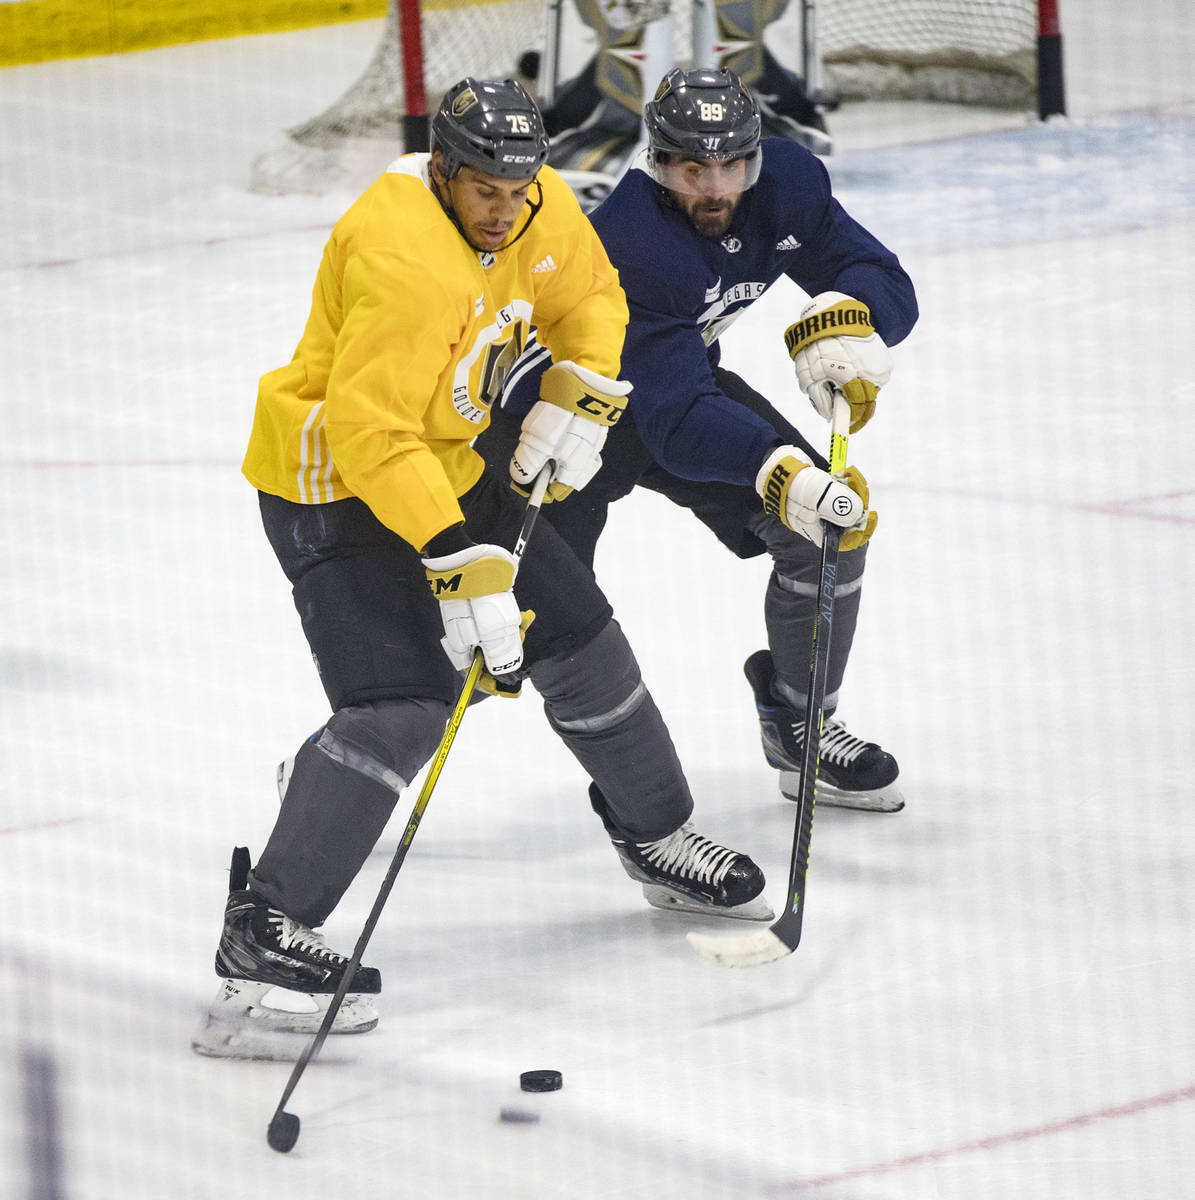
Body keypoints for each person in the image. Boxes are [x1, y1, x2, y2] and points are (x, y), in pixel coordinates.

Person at [196, 78, 774, 1054]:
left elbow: (590, 292)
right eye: (485, 191)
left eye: (518, 187)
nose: (505, 208)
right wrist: (461, 566)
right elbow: (369, 433)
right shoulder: (400, 256)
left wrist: (580, 392)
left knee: (582, 638)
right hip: (331, 483)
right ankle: (264, 930)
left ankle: (657, 834)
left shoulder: (533, 199)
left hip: (447, 459)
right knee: (407, 702)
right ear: (442, 169)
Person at [476, 67, 918, 817]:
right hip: (549, 433)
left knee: (828, 532)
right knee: (505, 637)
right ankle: (371, 742)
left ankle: (799, 725)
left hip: (675, 390)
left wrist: (852, 312)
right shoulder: (632, 240)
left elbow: (875, 271)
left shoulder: (787, 184)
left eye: (732, 165)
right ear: (657, 163)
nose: (715, 186)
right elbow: (673, 421)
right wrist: (781, 471)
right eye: (692, 168)